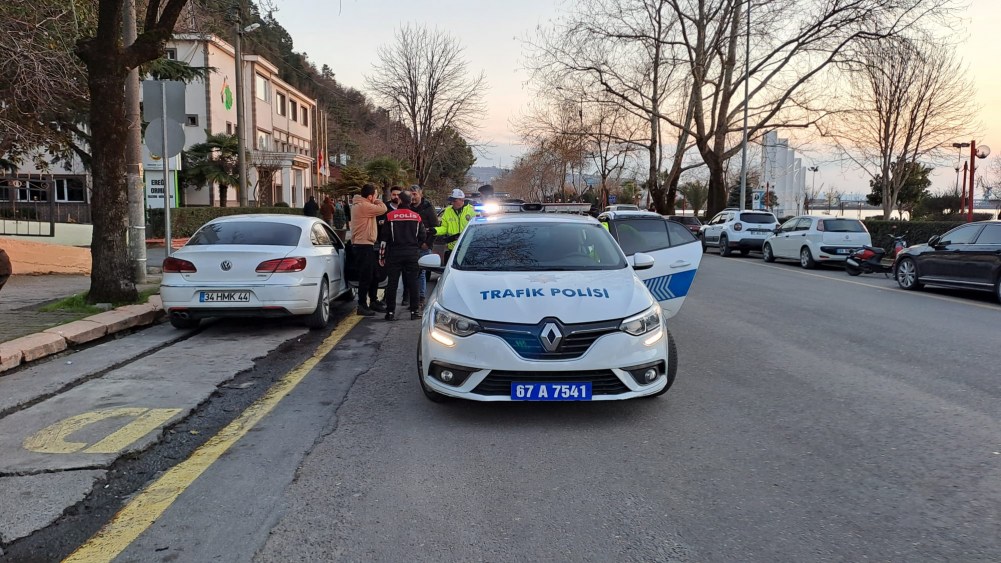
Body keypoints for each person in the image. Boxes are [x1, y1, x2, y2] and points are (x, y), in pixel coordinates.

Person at [379, 191, 425, 321]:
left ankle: (390, 312)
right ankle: (414, 311)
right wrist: (415, 247)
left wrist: (382, 256)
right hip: (412, 253)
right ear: (410, 201)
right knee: (413, 282)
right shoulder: (416, 217)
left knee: (392, 283)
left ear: (399, 200)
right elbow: (422, 236)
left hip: (395, 253)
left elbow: (384, 237)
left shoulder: (390, 216)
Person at [349, 184, 388, 317]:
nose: (377, 197)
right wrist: (377, 200)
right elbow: (383, 209)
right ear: (370, 196)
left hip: (367, 245)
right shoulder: (364, 206)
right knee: (365, 276)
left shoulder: (362, 205)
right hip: (362, 246)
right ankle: (362, 304)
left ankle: (373, 300)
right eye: (375, 195)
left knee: (374, 275)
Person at [409, 185, 438, 309]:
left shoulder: (428, 207)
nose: (413, 197)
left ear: (420, 194)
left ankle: (421, 298)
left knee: (421, 273)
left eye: (415, 194)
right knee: (411, 273)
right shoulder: (408, 207)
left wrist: (428, 243)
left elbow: (435, 227)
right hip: (411, 245)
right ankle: (412, 299)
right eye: (410, 194)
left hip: (424, 246)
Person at [435, 188, 476, 264]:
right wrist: (435, 230)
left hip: (468, 248)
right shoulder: (447, 211)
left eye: (454, 201)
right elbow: (444, 228)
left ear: (461, 200)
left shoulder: (472, 210)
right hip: (452, 248)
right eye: (451, 201)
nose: (452, 203)